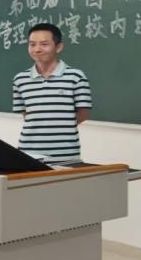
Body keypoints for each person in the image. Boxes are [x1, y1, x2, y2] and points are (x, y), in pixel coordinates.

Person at [13, 23, 92, 164]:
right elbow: (27, 115)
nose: (37, 49)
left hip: (65, 156)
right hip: (28, 154)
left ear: (58, 47)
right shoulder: (20, 79)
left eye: (44, 44)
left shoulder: (76, 76)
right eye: (32, 44)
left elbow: (83, 114)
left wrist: (61, 125)